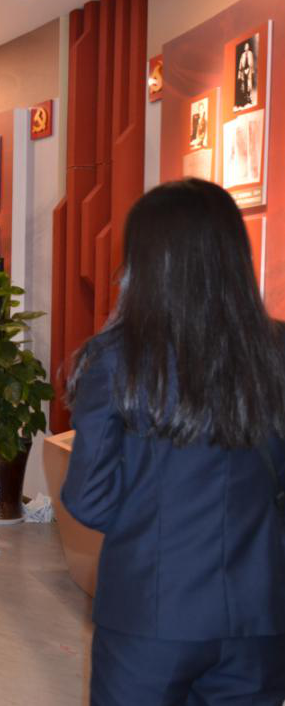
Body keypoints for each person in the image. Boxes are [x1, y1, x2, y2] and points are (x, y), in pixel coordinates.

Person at [62, 179, 285, 703]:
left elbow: (89, 499)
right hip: (260, 614)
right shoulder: (277, 351)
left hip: (150, 610)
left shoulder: (117, 357)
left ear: (147, 260)